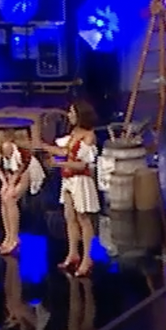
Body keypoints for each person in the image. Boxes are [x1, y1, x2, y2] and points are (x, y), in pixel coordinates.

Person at [0, 124, 40, 256]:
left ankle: (15, 239)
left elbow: (20, 166)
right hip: (11, 171)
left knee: (10, 197)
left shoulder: (5, 146)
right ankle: (8, 236)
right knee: (3, 196)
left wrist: (11, 184)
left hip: (26, 168)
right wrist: (4, 183)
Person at [55, 100, 101, 276]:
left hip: (81, 181)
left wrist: (59, 164)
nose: (69, 115)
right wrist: (43, 147)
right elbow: (65, 152)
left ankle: (87, 258)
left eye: (72, 113)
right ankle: (73, 253)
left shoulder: (88, 136)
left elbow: (82, 165)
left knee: (83, 219)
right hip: (68, 180)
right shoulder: (74, 132)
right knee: (70, 217)